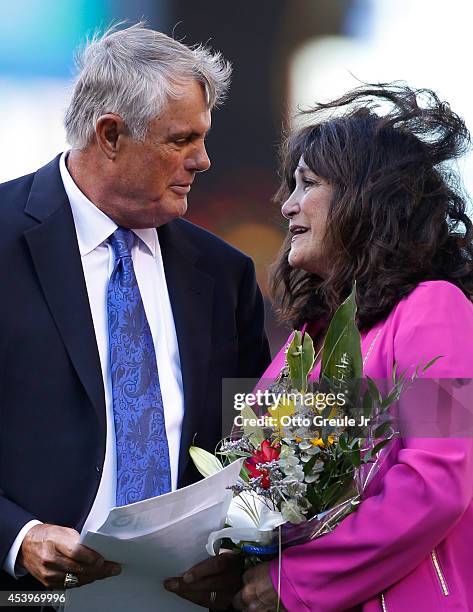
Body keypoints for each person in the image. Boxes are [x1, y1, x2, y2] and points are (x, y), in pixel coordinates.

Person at [0, 23, 270, 608]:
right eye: (181, 139)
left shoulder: (225, 275)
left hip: (179, 600)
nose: (203, 160)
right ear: (111, 135)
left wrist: (237, 551)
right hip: (24, 597)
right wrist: (16, 537)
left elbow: (256, 446)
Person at [228, 84, 473, 611]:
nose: (286, 204)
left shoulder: (437, 310)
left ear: (366, 197)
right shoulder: (306, 340)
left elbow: (438, 483)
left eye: (307, 184)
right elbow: (250, 477)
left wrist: (294, 581)